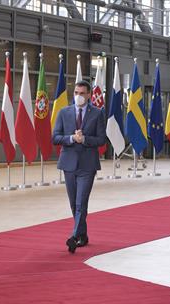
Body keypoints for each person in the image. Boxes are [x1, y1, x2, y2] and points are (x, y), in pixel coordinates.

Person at [52, 80, 106, 254]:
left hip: (87, 165)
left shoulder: (97, 113)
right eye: (76, 93)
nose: (79, 96)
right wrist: (71, 139)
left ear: (89, 95)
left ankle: (74, 237)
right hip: (68, 163)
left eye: (82, 93)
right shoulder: (63, 112)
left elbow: (101, 139)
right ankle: (83, 234)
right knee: (73, 203)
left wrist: (85, 140)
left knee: (81, 202)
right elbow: (55, 137)